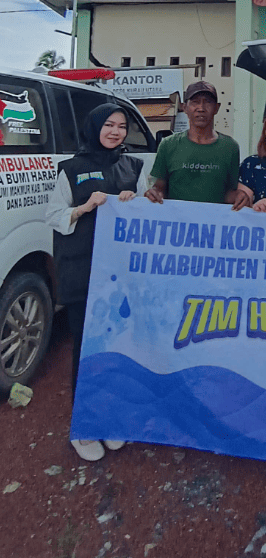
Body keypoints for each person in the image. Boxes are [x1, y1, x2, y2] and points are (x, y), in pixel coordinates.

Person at [46, 104, 147, 461]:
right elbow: (53, 215)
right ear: (94, 127)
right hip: (82, 270)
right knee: (86, 347)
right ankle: (85, 425)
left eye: (122, 126)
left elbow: (147, 215)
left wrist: (135, 203)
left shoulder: (133, 167)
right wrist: (83, 208)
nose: (116, 132)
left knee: (117, 346)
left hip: (120, 275)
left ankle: (110, 415)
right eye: (109, 124)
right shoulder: (71, 169)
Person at [145, 80, 249, 208]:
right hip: (178, 223)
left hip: (214, 224)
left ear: (217, 108)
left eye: (208, 102)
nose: (201, 108)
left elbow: (229, 193)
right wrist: (154, 193)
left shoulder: (230, 147)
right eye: (195, 102)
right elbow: (159, 187)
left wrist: (240, 196)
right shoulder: (168, 145)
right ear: (185, 107)